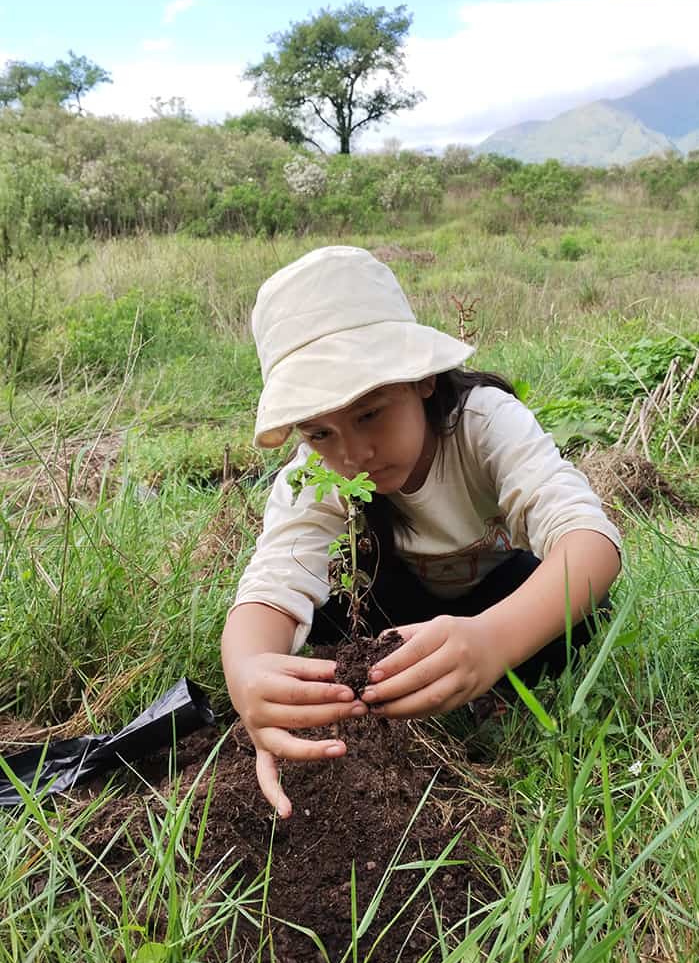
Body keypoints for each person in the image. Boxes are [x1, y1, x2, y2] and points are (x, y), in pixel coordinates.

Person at [221, 246, 622, 818]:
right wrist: (248, 674)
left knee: (577, 617)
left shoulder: (483, 424)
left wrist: (491, 642)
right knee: (327, 621)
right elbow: (274, 582)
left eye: (369, 414)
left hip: (496, 596)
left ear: (423, 380)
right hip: (394, 605)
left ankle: (493, 690)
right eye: (319, 432)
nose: (352, 454)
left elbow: (589, 541)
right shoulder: (312, 476)